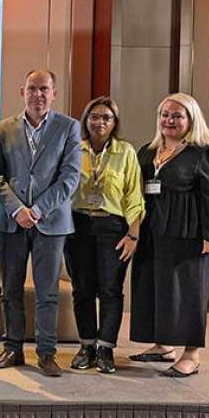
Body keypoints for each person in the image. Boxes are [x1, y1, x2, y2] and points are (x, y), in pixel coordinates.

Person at [0, 69, 81, 377]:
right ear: (22, 92)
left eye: (44, 89)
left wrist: (37, 210)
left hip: (50, 223)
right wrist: (17, 210)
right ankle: (12, 348)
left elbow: (70, 177)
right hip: (12, 222)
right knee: (10, 289)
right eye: (32, 89)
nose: (38, 94)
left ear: (54, 93)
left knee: (47, 292)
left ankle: (46, 353)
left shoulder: (69, 127)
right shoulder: (3, 128)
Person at [129, 93, 209, 378]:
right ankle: (163, 346)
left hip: (189, 235)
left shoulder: (207, 153)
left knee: (188, 293)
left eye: (177, 116)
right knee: (156, 289)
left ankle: (191, 355)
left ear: (191, 119)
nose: (169, 120)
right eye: (165, 115)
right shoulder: (148, 151)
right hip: (153, 232)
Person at [63, 96, 144, 374]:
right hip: (78, 225)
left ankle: (106, 348)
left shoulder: (125, 152)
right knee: (82, 288)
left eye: (106, 118)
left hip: (113, 228)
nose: (100, 122)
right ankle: (86, 346)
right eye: (94, 116)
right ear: (86, 120)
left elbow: (134, 196)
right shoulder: (74, 149)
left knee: (110, 290)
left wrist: (133, 235)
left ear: (114, 122)